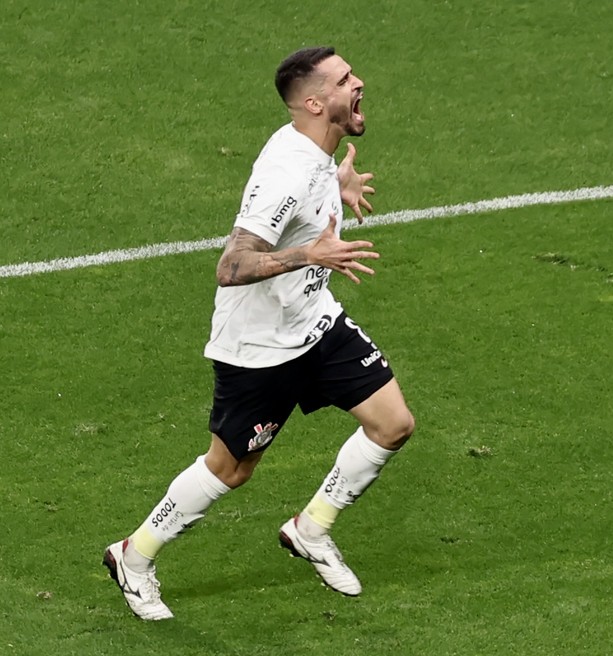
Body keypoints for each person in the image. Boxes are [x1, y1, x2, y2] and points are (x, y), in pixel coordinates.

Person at [102, 46, 414, 621]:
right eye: (347, 80)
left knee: (392, 423)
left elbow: (309, 198)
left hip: (313, 321)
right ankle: (134, 554)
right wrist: (309, 252)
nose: (360, 82)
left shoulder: (315, 152)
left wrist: (337, 188)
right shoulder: (286, 174)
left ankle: (310, 528)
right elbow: (233, 265)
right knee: (232, 469)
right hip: (258, 350)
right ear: (317, 102)